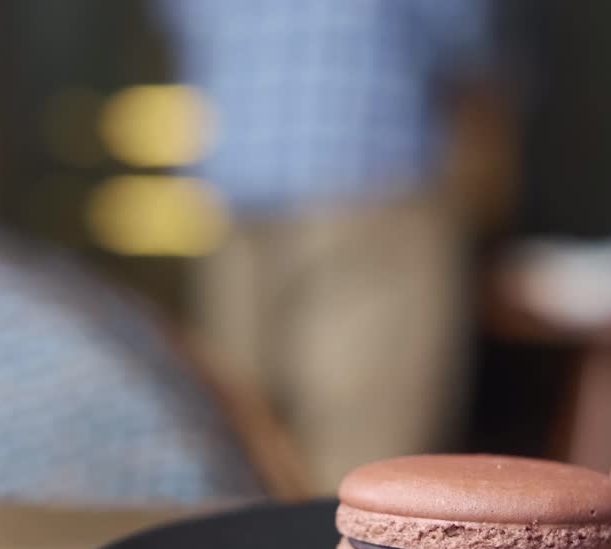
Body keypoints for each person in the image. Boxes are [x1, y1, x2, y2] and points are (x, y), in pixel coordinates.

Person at [159, 0, 494, 491]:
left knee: (244, 436)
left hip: (237, 180)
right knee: (366, 451)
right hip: (371, 172)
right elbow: (465, 35)